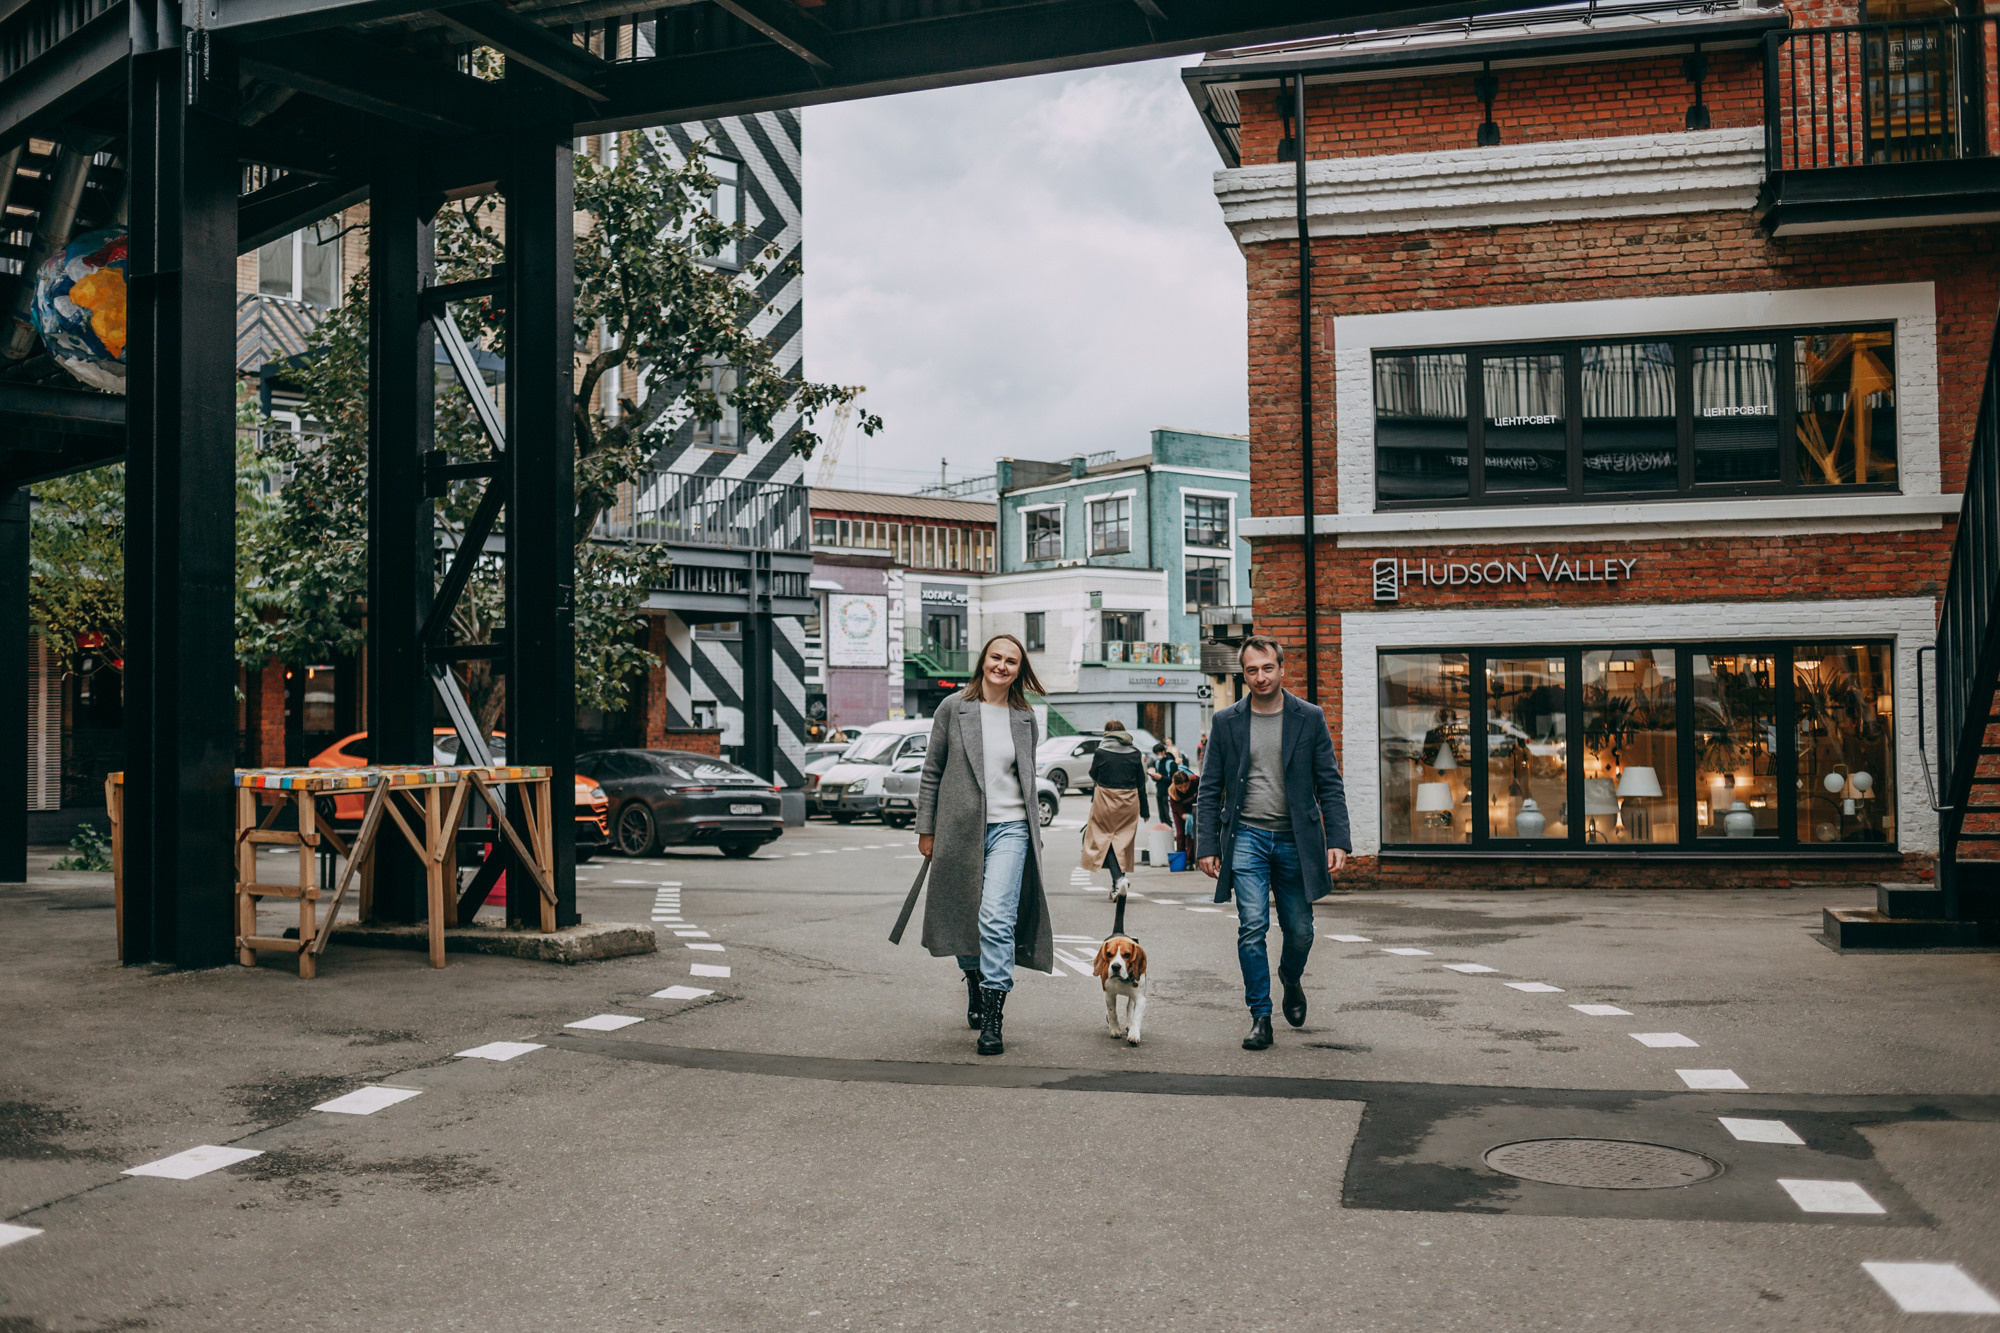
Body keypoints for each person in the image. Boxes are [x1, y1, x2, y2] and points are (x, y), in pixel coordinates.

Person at [1195, 635, 1351, 1051]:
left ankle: (1290, 977)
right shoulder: (1227, 721)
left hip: (1296, 841)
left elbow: (1330, 784)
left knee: (1300, 930)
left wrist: (1338, 839)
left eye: (1267, 668)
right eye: (1251, 670)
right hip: (1246, 836)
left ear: (1282, 668)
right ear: (1242, 673)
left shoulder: (1309, 717)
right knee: (1252, 927)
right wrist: (1206, 844)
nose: (1260, 677)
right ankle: (1260, 1016)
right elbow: (1210, 788)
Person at [908, 633, 1054, 1056]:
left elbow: (1023, 779)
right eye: (996, 657)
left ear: (1019, 671)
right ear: (983, 661)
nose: (1002, 666)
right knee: (965, 914)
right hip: (960, 829)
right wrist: (926, 829)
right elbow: (932, 770)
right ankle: (973, 977)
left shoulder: (1025, 718)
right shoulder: (953, 708)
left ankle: (993, 1017)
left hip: (1012, 827)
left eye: (1011, 661)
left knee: (995, 917)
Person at [1080, 718, 1149, 897]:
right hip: (1129, 801)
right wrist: (1145, 811)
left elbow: (1093, 773)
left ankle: (1118, 879)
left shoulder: (1101, 752)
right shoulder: (1135, 753)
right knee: (1123, 842)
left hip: (1105, 800)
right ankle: (1118, 884)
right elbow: (1141, 783)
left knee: (1105, 839)